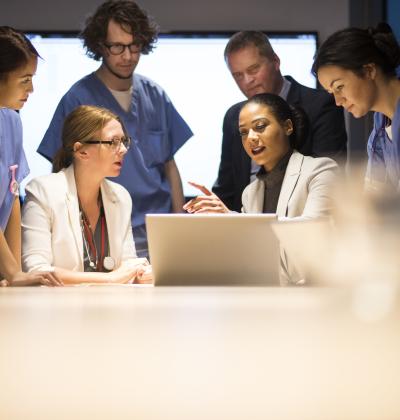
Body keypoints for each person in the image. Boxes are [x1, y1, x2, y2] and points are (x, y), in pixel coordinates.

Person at [36, 0, 193, 258]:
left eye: (134, 46)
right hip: (107, 232)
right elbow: (61, 169)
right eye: (118, 47)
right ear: (100, 46)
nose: (128, 56)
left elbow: (169, 166)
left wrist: (179, 226)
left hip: (159, 232)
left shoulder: (155, 94)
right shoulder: (78, 99)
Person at [184, 93, 338, 284]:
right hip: (267, 296)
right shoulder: (251, 192)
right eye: (243, 132)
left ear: (288, 126)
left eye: (260, 127)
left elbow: (310, 230)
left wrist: (234, 220)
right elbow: (251, 256)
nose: (251, 138)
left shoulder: (320, 170)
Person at [212, 31, 347, 212]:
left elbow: (328, 176)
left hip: (302, 214)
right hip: (244, 220)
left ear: (275, 61)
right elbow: (227, 186)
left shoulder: (319, 105)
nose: (247, 81)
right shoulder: (234, 116)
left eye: (253, 70)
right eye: (237, 75)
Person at [22, 105, 152, 285]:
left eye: (124, 141)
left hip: (111, 307)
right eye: (113, 142)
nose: (123, 149)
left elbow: (127, 263)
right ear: (82, 151)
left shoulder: (121, 196)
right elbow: (37, 270)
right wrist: (108, 279)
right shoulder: (42, 191)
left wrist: (140, 273)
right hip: (58, 308)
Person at [0, 26, 62, 286]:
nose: (32, 89)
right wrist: (13, 272)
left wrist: (13, 274)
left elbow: (12, 195)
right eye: (25, 80)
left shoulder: (11, 121)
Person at [312, 23, 400, 192]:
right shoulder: (380, 130)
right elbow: (375, 198)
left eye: (339, 87)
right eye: (331, 92)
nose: (338, 101)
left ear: (369, 71)